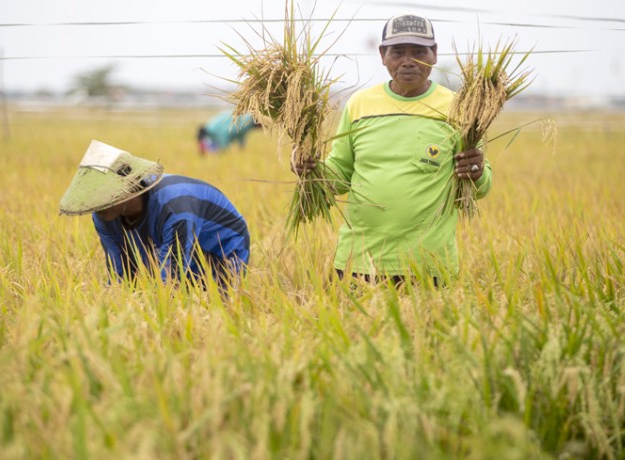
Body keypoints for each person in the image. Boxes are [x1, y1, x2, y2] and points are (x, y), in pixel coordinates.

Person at [295, 13, 492, 286]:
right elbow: (339, 176)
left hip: (429, 264)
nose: (408, 61)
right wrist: (311, 168)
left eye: (419, 52)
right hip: (357, 261)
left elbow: (481, 187)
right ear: (383, 55)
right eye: (398, 52)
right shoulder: (359, 105)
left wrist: (476, 170)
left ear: (434, 54)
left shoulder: (460, 108)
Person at [59, 139, 250, 287]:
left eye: (103, 196)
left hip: (220, 250)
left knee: (209, 300)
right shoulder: (103, 215)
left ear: (128, 187)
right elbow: (119, 271)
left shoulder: (175, 207)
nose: (98, 207)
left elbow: (170, 278)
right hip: (171, 245)